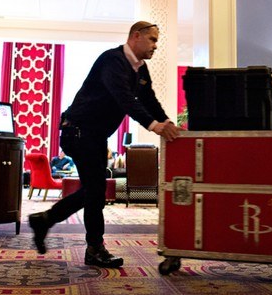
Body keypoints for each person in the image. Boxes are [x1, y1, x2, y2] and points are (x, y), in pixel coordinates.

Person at [28, 21, 180, 268]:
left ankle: (45, 220)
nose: (155, 46)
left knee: (94, 190)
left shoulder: (140, 69)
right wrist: (154, 126)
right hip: (78, 131)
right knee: (96, 190)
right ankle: (94, 248)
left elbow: (149, 99)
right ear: (136, 36)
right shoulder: (112, 60)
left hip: (94, 135)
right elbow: (124, 98)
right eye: (152, 40)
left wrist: (167, 122)